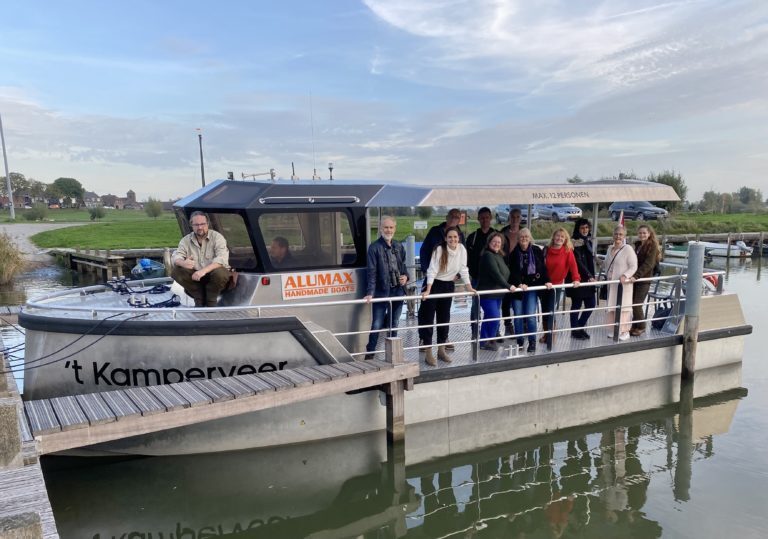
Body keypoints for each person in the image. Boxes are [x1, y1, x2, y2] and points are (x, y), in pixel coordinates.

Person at [419, 227, 474, 366]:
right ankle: (428, 352)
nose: (453, 240)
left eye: (455, 237)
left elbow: (463, 269)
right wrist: (428, 290)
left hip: (448, 286)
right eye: (450, 237)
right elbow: (432, 270)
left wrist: (469, 287)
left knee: (444, 319)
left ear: (459, 238)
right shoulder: (439, 249)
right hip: (434, 285)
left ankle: (441, 350)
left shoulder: (462, 249)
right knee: (428, 319)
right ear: (445, 238)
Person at [363, 217, 409, 358]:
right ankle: (370, 354)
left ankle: (392, 354)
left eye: (391, 227)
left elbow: (403, 267)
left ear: (395, 229)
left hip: (398, 292)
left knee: (394, 323)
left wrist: (406, 277)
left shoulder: (399, 246)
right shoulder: (374, 248)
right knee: (376, 324)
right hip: (381, 293)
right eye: (386, 227)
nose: (388, 230)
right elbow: (371, 272)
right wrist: (370, 292)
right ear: (380, 229)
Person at [171, 211, 230, 307]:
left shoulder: (217, 237)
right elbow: (176, 256)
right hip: (195, 278)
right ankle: (199, 299)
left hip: (214, 277)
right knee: (176, 271)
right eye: (196, 225)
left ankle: (211, 302)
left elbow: (222, 258)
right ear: (192, 225)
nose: (200, 227)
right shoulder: (185, 240)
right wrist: (183, 263)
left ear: (207, 224)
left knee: (220, 273)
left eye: (202, 224)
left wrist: (203, 271)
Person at [509, 228, 551, 353]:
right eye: (522, 236)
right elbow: (512, 272)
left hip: (532, 288)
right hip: (518, 289)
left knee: (531, 316)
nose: (524, 238)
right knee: (518, 316)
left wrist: (547, 280)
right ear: (518, 238)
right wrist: (519, 283)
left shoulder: (537, 250)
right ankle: (520, 341)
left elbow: (542, 268)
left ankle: (532, 342)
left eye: (526, 236)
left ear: (530, 238)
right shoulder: (513, 253)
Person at [477, 232, 516, 351]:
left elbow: (506, 273)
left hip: (498, 294)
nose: (496, 244)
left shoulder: (499, 256)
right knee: (494, 317)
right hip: (487, 294)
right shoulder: (488, 255)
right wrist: (509, 286)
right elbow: (496, 274)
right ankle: (489, 340)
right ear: (489, 243)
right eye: (494, 241)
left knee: (489, 317)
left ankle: (484, 341)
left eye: (499, 242)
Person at [540, 227, 580, 343]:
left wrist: (576, 279)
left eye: (562, 237)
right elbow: (541, 266)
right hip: (544, 285)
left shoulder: (567, 251)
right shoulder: (546, 250)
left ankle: (552, 335)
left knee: (551, 309)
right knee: (544, 310)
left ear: (565, 239)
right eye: (558, 236)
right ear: (553, 237)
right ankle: (546, 333)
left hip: (556, 286)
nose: (559, 238)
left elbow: (573, 266)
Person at [466, 207, 496, 338]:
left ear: (491, 218)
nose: (485, 220)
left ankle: (494, 331)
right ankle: (474, 331)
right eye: (482, 218)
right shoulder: (472, 237)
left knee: (493, 308)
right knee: (475, 307)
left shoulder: (496, 236)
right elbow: (467, 258)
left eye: (487, 217)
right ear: (478, 219)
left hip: (493, 281)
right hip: (477, 279)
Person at [603, 226, 638, 341]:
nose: (618, 236)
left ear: (624, 236)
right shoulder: (609, 249)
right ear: (613, 235)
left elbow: (633, 266)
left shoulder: (628, 249)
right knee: (613, 307)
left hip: (623, 284)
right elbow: (607, 263)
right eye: (616, 234)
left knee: (623, 308)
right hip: (612, 283)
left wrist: (625, 275)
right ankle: (615, 329)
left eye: (621, 234)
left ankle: (624, 331)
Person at [630, 224, 661, 336]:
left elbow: (649, 264)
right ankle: (635, 324)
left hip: (644, 280)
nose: (642, 235)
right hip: (634, 280)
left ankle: (642, 326)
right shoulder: (637, 245)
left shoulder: (652, 246)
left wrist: (636, 276)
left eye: (644, 233)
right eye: (640, 233)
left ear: (649, 234)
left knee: (636, 304)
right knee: (632, 303)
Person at [569, 218, 597, 340]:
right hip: (579, 278)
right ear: (578, 229)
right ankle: (575, 330)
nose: (585, 230)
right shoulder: (574, 243)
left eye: (586, 227)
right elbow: (578, 262)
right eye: (582, 228)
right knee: (576, 304)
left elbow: (590, 260)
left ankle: (578, 327)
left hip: (589, 278)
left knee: (591, 304)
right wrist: (589, 276)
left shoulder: (587, 241)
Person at [419, 208, 464, 275]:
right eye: (451, 216)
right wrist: (425, 270)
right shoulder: (434, 231)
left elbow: (463, 256)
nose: (453, 219)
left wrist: (458, 275)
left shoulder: (460, 235)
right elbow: (424, 251)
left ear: (459, 220)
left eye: (456, 217)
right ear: (446, 217)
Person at [500, 208, 523, 337]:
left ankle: (522, 323)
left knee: (519, 298)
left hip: (520, 271)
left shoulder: (524, 232)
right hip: (506, 270)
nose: (515, 219)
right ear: (509, 218)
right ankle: (508, 325)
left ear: (520, 218)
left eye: (517, 217)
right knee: (506, 301)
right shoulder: (503, 232)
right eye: (512, 217)